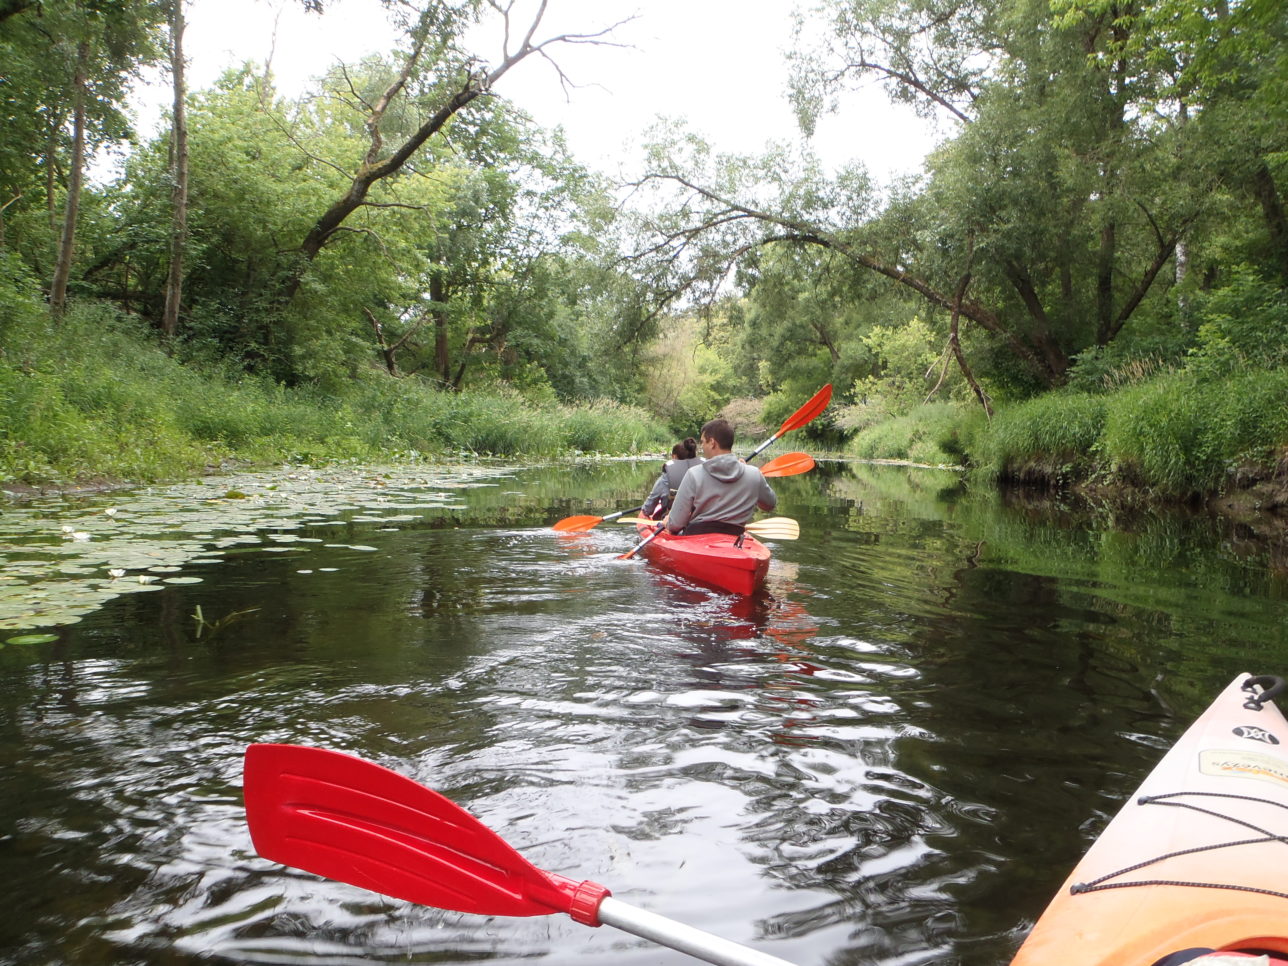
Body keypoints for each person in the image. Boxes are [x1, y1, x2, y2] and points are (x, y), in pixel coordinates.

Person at [664, 418, 776, 536]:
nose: (701, 446)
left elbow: (675, 524)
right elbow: (769, 505)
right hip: (735, 538)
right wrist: (751, 479)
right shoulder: (754, 474)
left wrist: (667, 522)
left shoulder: (693, 474)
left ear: (712, 442)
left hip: (697, 539)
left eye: (703, 442)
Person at [642, 437, 701, 519]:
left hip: (674, 523)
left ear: (674, 456)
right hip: (701, 519)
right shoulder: (704, 472)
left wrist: (644, 510)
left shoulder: (665, 479)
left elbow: (647, 510)